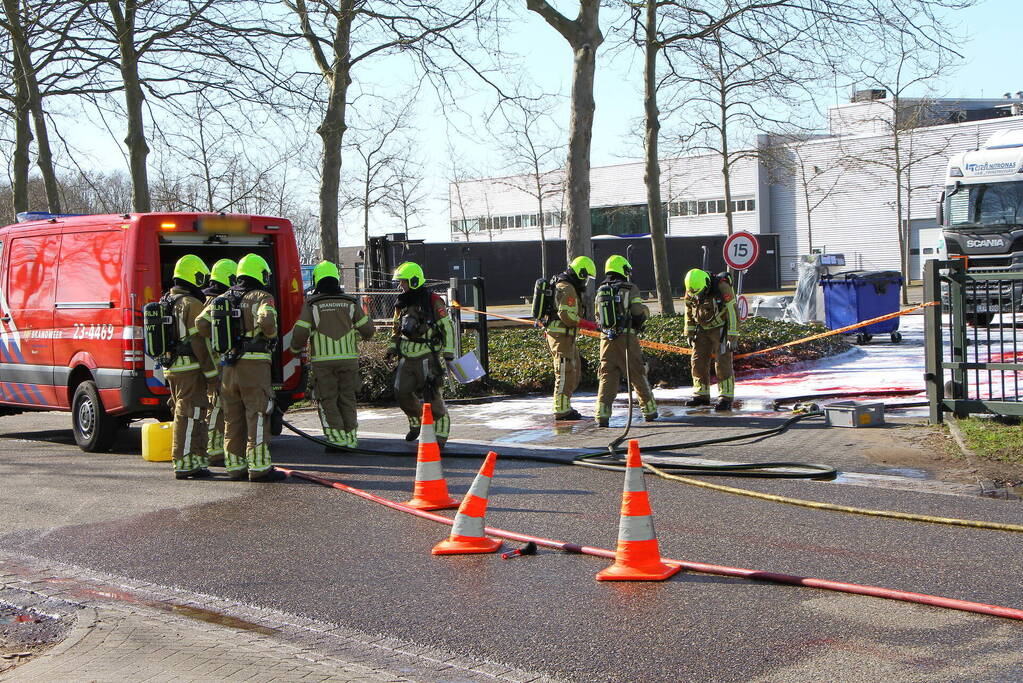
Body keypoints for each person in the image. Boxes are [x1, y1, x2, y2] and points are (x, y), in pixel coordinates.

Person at [198, 253, 285, 481]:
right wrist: (271, 334)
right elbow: (267, 322)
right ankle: (259, 467)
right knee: (257, 413)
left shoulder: (223, 297)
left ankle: (235, 467)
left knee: (232, 417)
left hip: (228, 368)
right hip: (254, 366)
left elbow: (201, 323)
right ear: (258, 273)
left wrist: (219, 340)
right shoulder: (262, 296)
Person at [288, 261, 375, 451]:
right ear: (336, 279)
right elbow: (368, 330)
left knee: (327, 399)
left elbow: (301, 333)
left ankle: (336, 439)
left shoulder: (312, 304)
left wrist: (294, 350)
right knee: (347, 398)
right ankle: (351, 438)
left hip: (323, 362)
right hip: (349, 361)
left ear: (316, 280)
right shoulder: (350, 302)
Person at [162, 255, 219, 479]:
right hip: (190, 369)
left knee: (191, 412)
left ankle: (195, 459)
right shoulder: (192, 304)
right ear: (193, 276)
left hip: (172, 368)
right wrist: (212, 373)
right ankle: (184, 461)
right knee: (187, 414)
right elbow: (200, 342)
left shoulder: (165, 301)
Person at [386, 261, 455, 448]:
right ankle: (416, 423)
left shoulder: (433, 301)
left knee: (433, 399)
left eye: (404, 282)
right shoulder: (401, 303)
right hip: (406, 358)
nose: (401, 286)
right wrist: (392, 348)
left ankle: (440, 438)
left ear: (414, 281)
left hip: (427, 358)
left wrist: (449, 353)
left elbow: (447, 328)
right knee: (402, 393)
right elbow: (395, 328)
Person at [594, 255, 657, 427]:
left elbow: (598, 317)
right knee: (637, 373)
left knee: (607, 376)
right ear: (622, 269)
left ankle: (602, 414)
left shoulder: (601, 290)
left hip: (605, 340)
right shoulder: (630, 288)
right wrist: (641, 319)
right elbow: (637, 311)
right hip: (626, 339)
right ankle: (650, 411)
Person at [542, 255, 595, 420]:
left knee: (574, 372)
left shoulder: (566, 285)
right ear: (580, 273)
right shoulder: (567, 288)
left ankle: (566, 405)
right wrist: (588, 324)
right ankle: (561, 410)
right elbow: (567, 316)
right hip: (561, 336)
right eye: (585, 277)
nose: (585, 282)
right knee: (564, 372)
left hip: (566, 337)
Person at [683, 268, 739, 411]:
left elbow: (733, 311)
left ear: (707, 284)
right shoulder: (691, 290)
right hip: (701, 328)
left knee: (722, 363)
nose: (698, 296)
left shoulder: (722, 286)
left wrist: (732, 336)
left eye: (701, 293)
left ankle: (725, 398)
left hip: (720, 329)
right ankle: (701, 394)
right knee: (697, 360)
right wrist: (689, 332)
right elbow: (688, 311)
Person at [201, 258, 236, 466]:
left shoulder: (201, 299)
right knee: (216, 407)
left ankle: (213, 447)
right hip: (215, 364)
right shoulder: (217, 302)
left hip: (203, 364)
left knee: (214, 406)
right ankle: (213, 450)